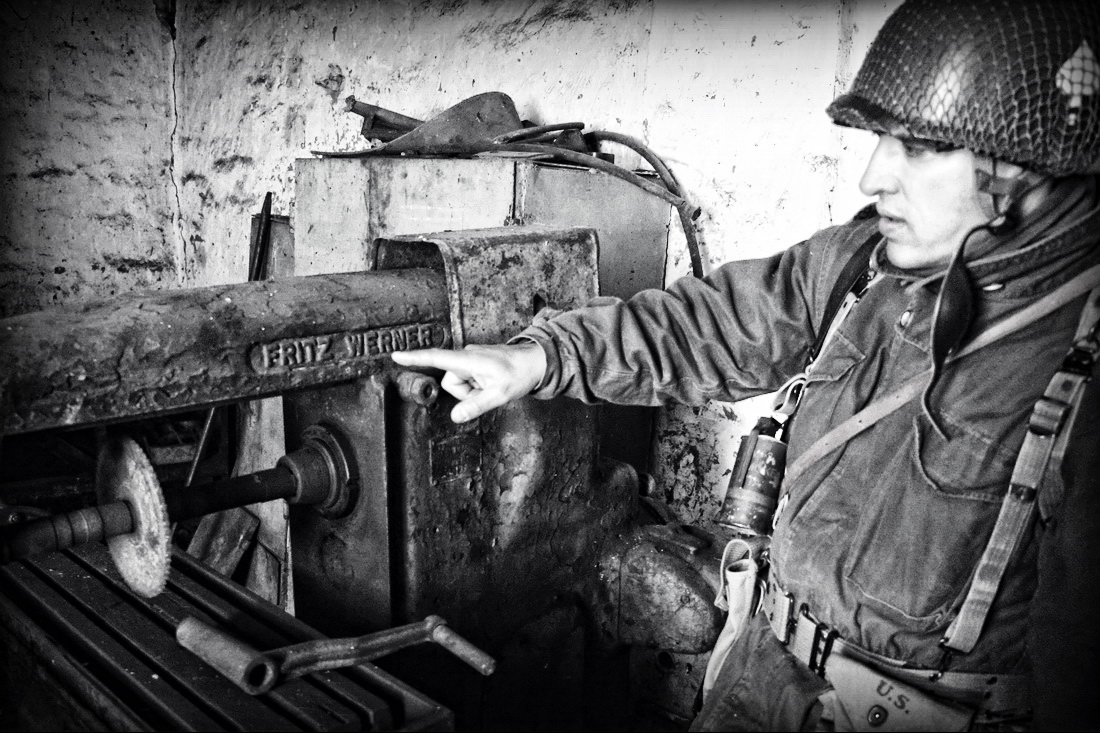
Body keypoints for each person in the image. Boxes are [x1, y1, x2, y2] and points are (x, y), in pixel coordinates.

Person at [394, 0, 1100, 729]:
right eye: (881, 141)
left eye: (919, 149)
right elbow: (708, 327)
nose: (873, 178)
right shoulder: (865, 266)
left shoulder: (1079, 364)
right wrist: (541, 357)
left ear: (1030, 164)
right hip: (758, 674)